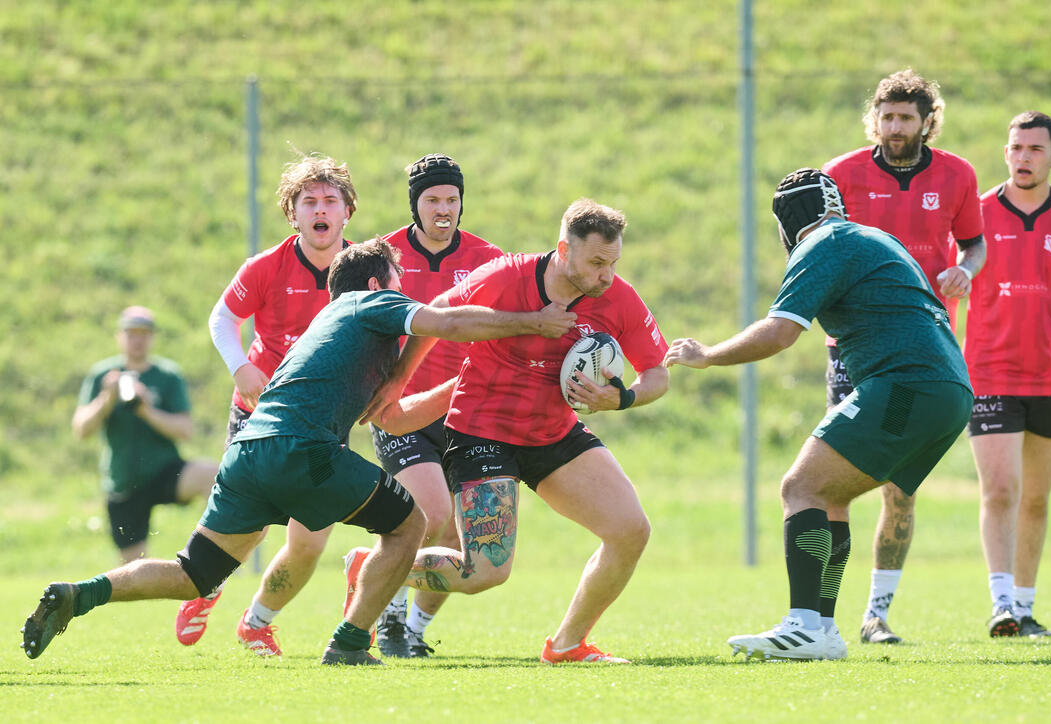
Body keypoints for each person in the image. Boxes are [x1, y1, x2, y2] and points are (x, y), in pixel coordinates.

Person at [21, 239, 577, 666]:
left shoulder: (328, 326)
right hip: (301, 449)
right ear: (378, 280)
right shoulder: (370, 302)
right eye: (398, 278)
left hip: (248, 452)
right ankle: (351, 641)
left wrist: (468, 382)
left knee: (193, 574)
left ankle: (79, 593)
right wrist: (534, 322)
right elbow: (449, 322)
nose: (402, 286)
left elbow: (391, 415)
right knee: (410, 525)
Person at [664, 169, 973, 660]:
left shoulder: (822, 242)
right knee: (829, 497)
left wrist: (708, 355)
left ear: (788, 221)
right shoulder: (875, 236)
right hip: (946, 389)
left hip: (906, 387)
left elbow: (780, 332)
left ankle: (804, 623)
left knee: (800, 487)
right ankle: (824, 629)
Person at [359, 198, 670, 664]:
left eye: (614, 263)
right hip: (482, 432)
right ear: (564, 249)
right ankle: (371, 567)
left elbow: (656, 373)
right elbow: (435, 315)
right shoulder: (507, 276)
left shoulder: (617, 297)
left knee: (630, 530)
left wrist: (622, 397)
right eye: (597, 263)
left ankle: (566, 645)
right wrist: (399, 382)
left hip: (553, 434)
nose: (607, 275)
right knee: (484, 573)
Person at [821, 69, 986, 644]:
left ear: (926, 122)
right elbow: (816, 247)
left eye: (906, 118)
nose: (895, 127)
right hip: (853, 347)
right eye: (887, 117)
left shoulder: (958, 175)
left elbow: (975, 241)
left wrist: (966, 269)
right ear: (876, 117)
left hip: (922, 349)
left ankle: (876, 616)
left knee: (900, 488)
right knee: (828, 482)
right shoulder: (839, 175)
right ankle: (819, 614)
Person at [174, 152, 357, 656]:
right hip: (260, 415)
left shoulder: (366, 267)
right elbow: (221, 319)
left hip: (323, 424)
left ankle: (257, 621)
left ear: (347, 213)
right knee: (248, 528)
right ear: (292, 213)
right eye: (309, 201)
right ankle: (206, 584)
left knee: (311, 542)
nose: (320, 209)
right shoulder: (267, 267)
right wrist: (240, 366)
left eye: (330, 201)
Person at [350, 153, 504, 658]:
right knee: (430, 514)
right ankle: (388, 619)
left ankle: (413, 630)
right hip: (402, 410)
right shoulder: (381, 257)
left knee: (464, 542)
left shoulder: (490, 258)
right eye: (432, 200)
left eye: (452, 200)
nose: (444, 209)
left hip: (466, 413)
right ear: (415, 205)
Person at [964, 112, 1051, 638]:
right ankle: (1001, 607)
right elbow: (953, 283)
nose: (1024, 158)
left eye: (1035, 149)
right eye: (1016, 148)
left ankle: (1027, 608)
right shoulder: (978, 215)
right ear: (1005, 152)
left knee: (1036, 497)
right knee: (1000, 490)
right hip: (989, 371)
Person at [72, 306, 218, 564]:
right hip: (123, 479)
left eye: (143, 333)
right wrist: (108, 398)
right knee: (132, 568)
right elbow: (81, 430)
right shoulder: (103, 375)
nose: (137, 340)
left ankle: (215, 559)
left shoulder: (167, 375)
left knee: (212, 474)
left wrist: (146, 410)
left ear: (152, 337)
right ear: (120, 336)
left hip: (164, 469)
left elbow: (185, 430)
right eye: (131, 333)